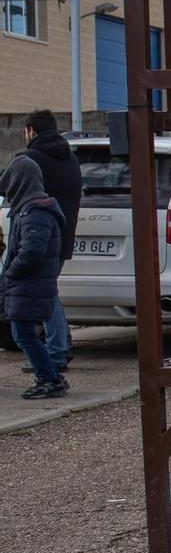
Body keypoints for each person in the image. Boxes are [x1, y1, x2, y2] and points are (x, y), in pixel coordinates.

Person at [2, 155, 68, 400]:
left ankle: (49, 378)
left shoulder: (35, 212)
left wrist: (11, 272)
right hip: (29, 283)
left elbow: (32, 251)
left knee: (24, 335)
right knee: (24, 334)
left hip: (29, 282)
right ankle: (49, 377)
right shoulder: (31, 210)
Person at [20, 110, 80, 374]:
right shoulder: (71, 159)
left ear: (31, 130)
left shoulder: (32, 159)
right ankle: (61, 345)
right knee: (51, 292)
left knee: (46, 295)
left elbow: (9, 185)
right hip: (64, 237)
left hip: (40, 236)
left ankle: (56, 352)